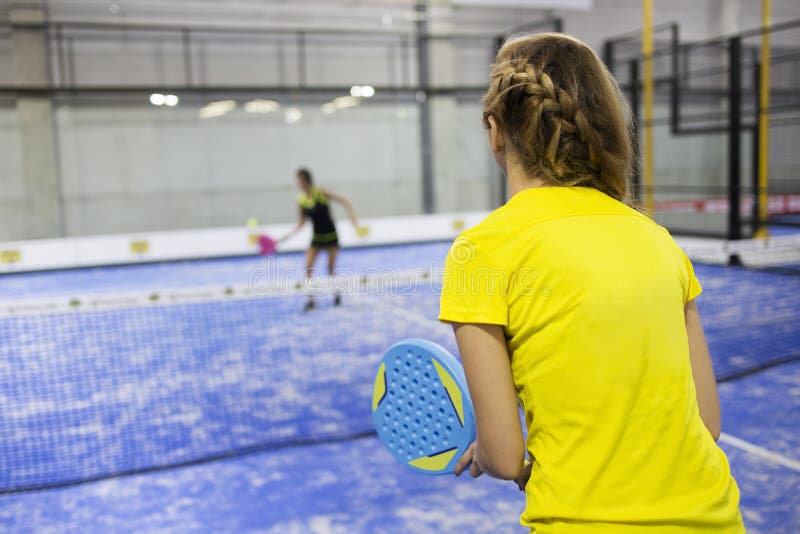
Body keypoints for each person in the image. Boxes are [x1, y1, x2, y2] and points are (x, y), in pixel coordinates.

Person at [438, 33, 745, 533]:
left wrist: (494, 452)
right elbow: (707, 423)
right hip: (717, 519)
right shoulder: (658, 239)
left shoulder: (480, 252)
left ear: (495, 131)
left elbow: (506, 456)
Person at [280, 168, 358, 312]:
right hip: (316, 239)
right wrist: (286, 237)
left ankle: (336, 294)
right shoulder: (301, 201)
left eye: (299, 180)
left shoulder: (321, 193)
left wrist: (353, 220)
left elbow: (344, 200)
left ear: (306, 180)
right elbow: (301, 223)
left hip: (331, 236)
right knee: (308, 268)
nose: (298, 183)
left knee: (330, 268)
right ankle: (311, 301)